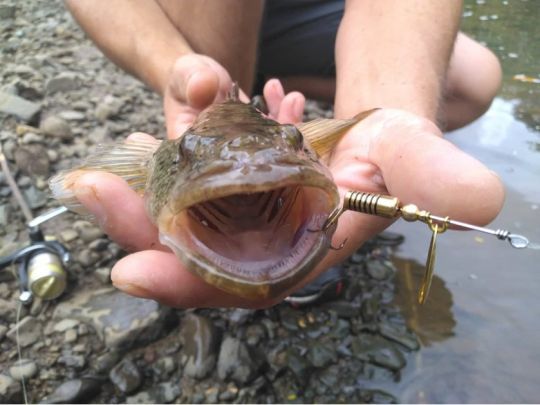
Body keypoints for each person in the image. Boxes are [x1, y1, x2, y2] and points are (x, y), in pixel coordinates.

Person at [64, 0, 504, 308]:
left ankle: (264, 73)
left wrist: (385, 103)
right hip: (182, 14)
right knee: (208, 68)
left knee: (475, 79)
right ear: (157, 162)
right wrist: (176, 66)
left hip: (303, 13)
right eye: (188, 157)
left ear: (308, 142)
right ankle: (223, 73)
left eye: (294, 144)